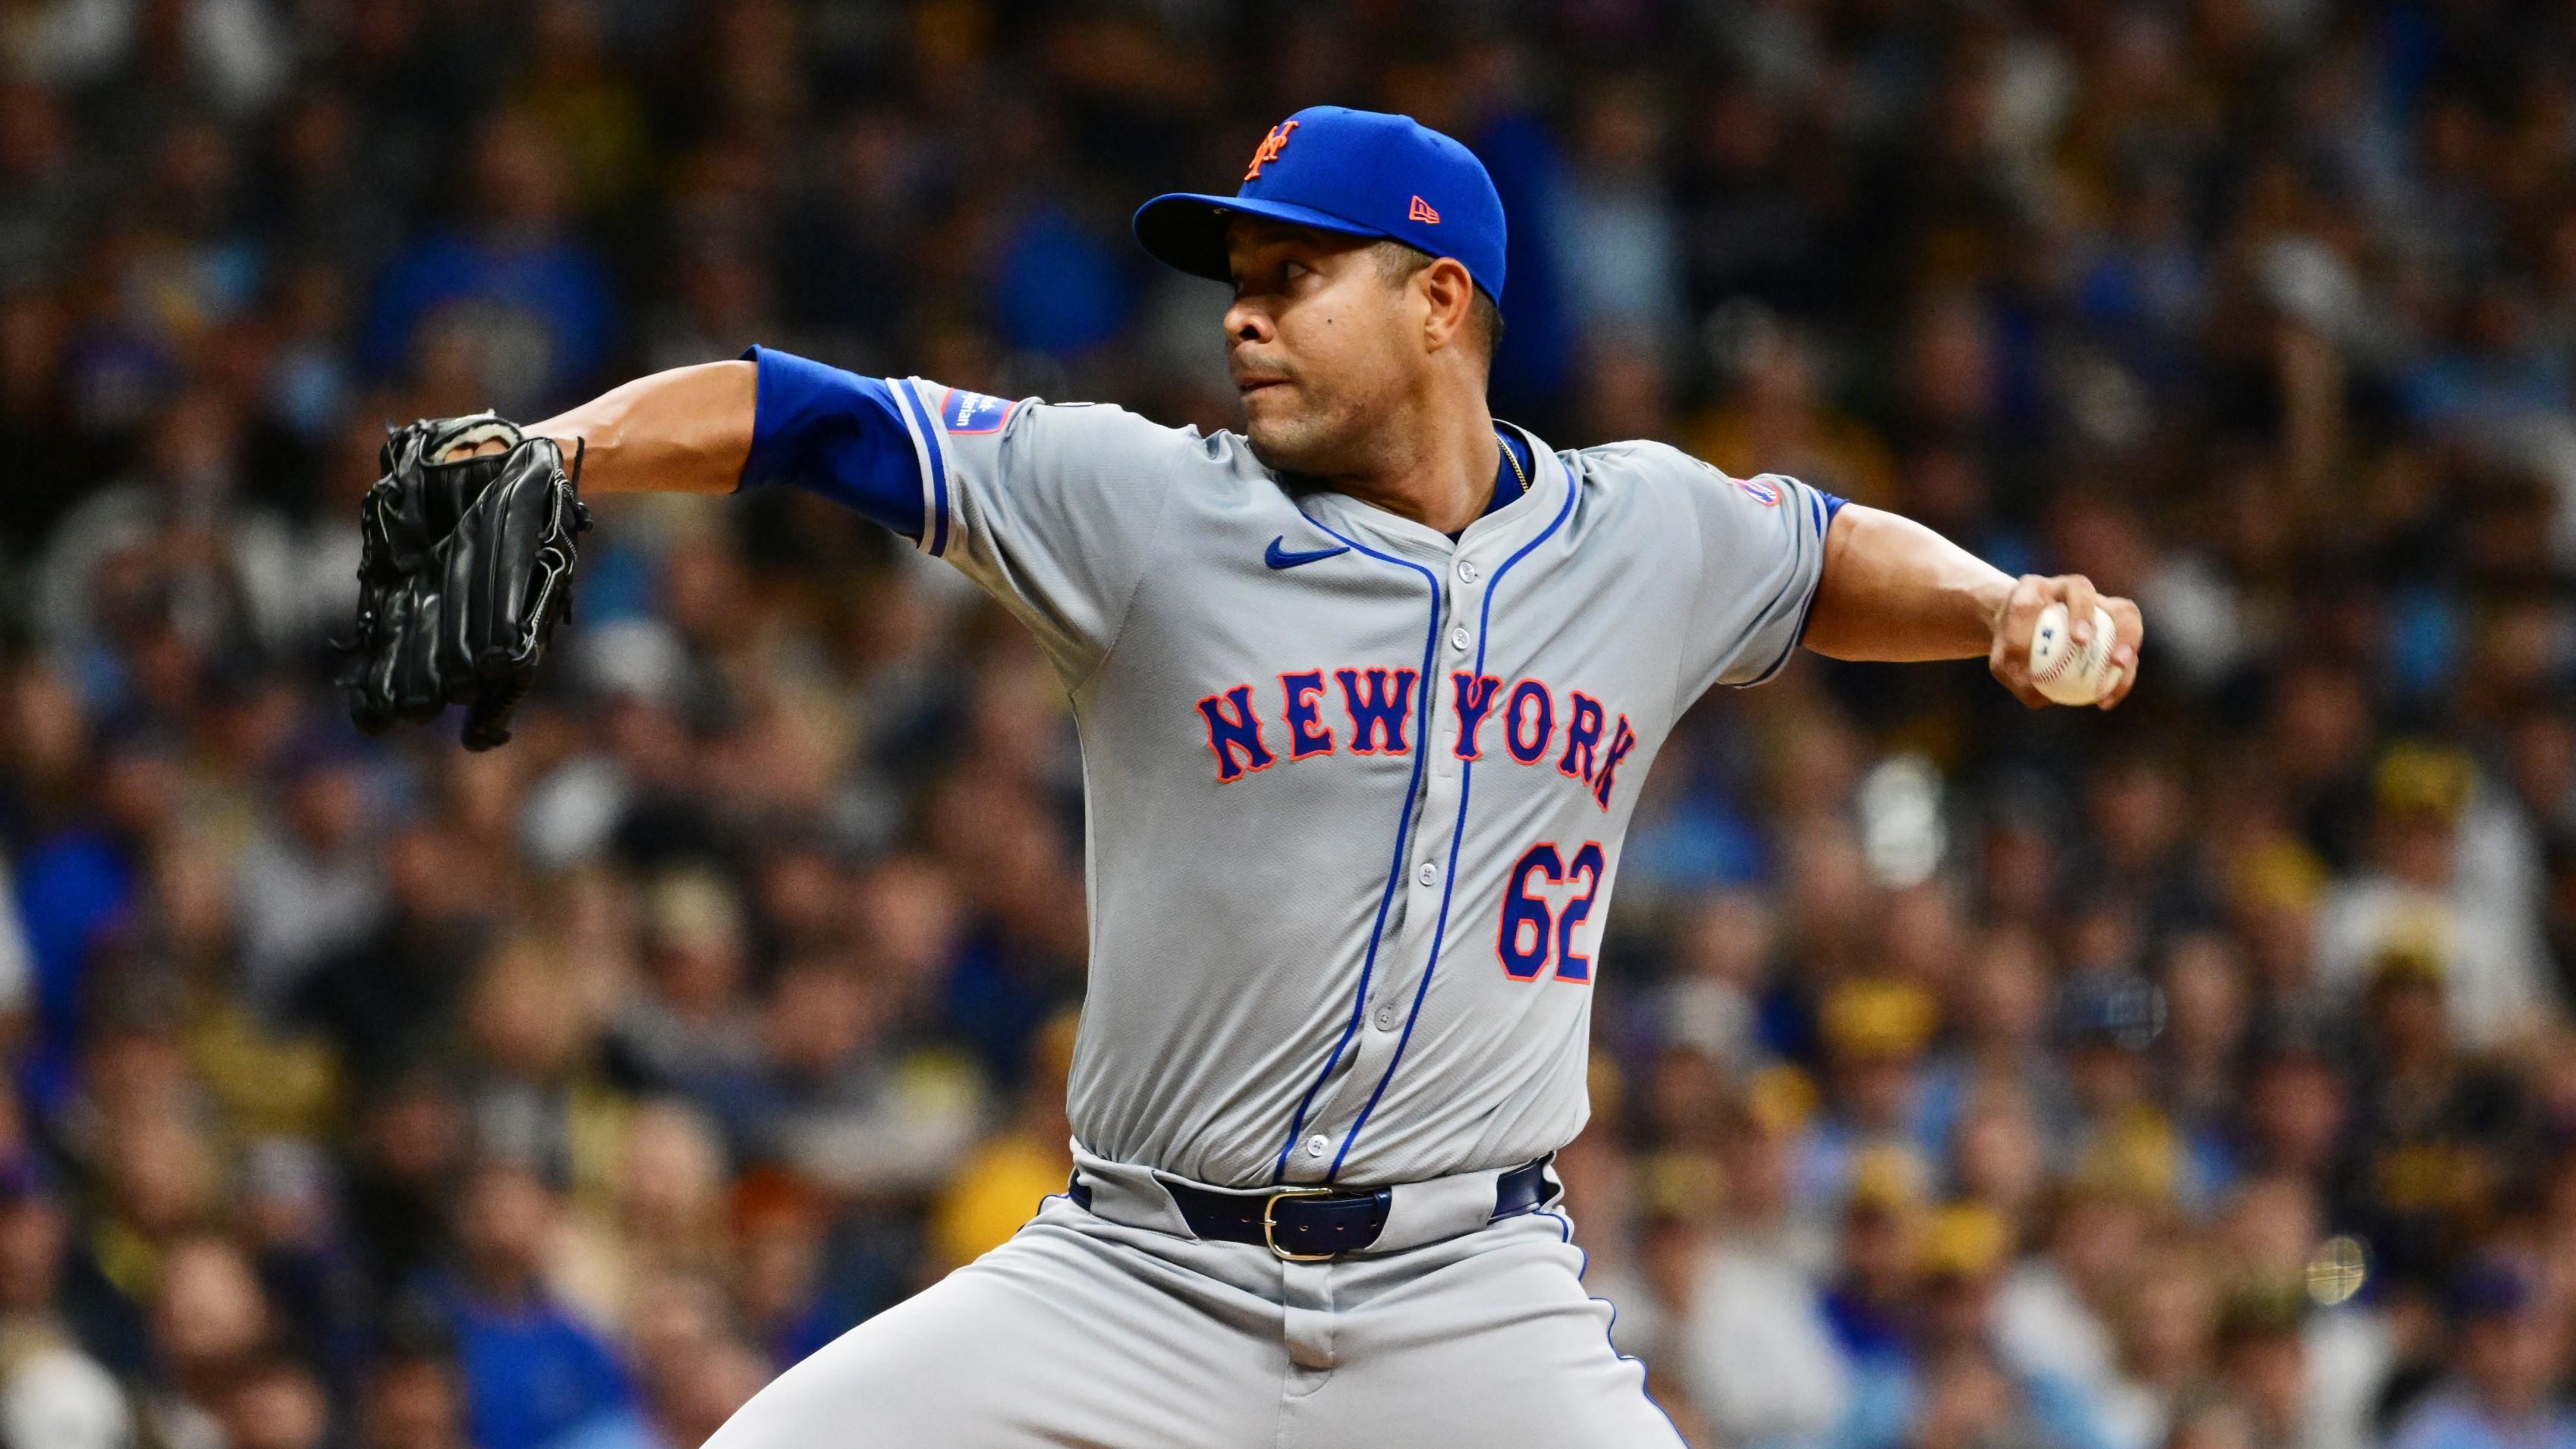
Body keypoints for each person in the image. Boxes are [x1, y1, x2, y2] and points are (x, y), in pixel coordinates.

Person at [398, 106, 2143, 1445]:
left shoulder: (1645, 528)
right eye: (1237, 286)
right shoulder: (1142, 505)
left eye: (1296, 278)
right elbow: (816, 417)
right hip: (1136, 1271)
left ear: (1441, 298)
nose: (1245, 324)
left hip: (1472, 1289)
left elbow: (1824, 558)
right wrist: (562, 448)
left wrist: (1997, 605)